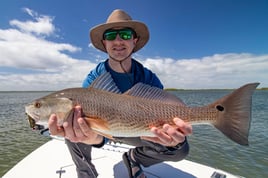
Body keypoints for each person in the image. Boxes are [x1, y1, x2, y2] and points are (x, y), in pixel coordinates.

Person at [48, 9, 192, 178]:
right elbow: (96, 133)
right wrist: (89, 137)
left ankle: (133, 158)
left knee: (180, 149)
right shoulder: (93, 79)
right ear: (104, 42)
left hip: (136, 130)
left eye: (124, 35)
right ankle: (86, 174)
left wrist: (172, 137)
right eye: (110, 36)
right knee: (72, 127)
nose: (118, 41)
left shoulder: (148, 77)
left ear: (134, 41)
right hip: (103, 130)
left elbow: (165, 112)